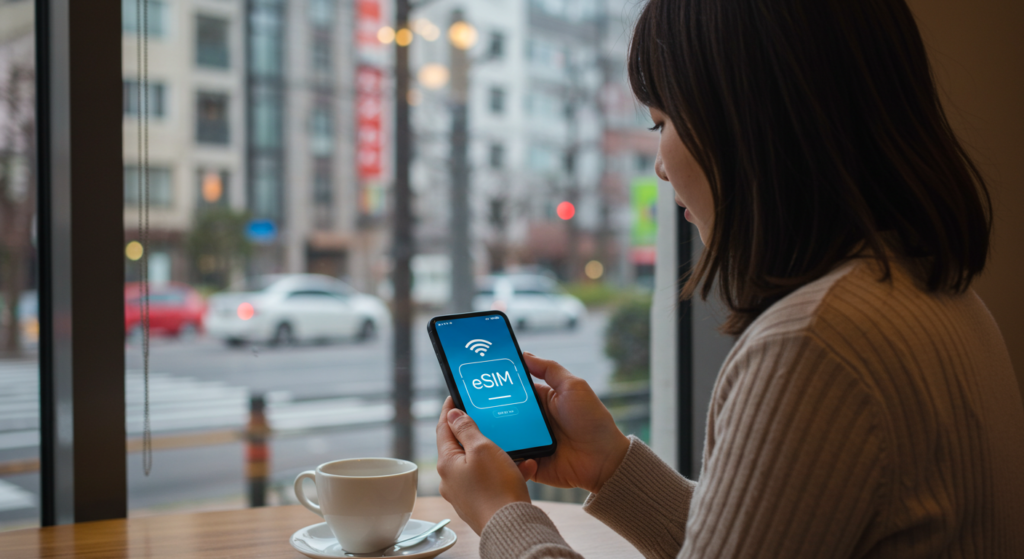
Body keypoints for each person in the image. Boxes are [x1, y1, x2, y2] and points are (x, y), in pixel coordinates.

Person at [435, 0, 1024, 557]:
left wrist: (502, 515)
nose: (661, 167)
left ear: (748, 121)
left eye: (661, 122)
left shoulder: (815, 343)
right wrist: (611, 466)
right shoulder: (932, 296)